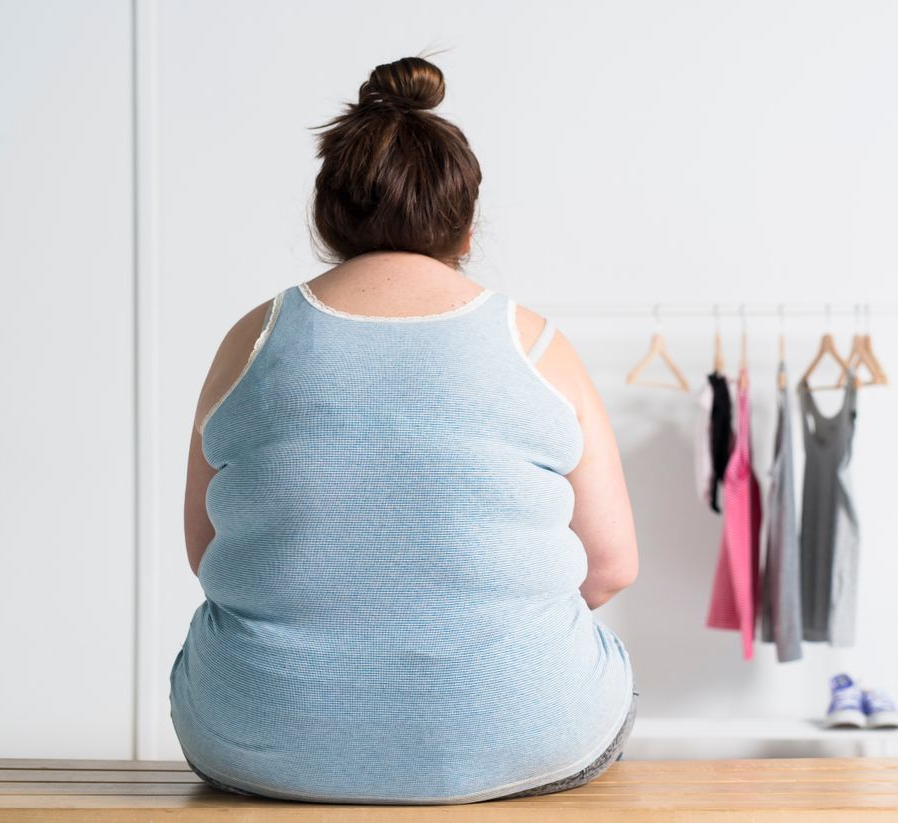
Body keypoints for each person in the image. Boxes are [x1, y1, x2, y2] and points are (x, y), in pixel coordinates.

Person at [171, 55, 639, 805]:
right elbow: (611, 567)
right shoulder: (538, 346)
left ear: (325, 217)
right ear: (467, 225)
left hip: (253, 735)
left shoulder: (250, 341)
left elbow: (208, 553)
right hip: (532, 730)